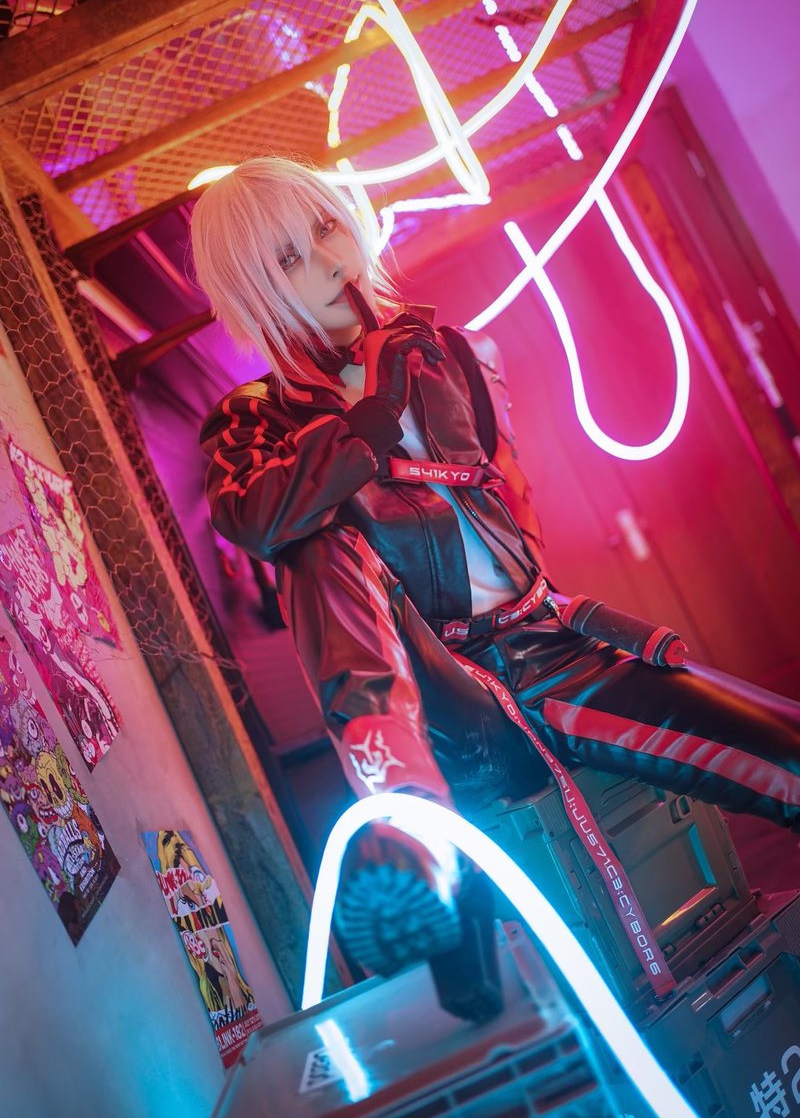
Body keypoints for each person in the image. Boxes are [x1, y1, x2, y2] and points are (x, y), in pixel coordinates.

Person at [194, 156, 800, 1010]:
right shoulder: (255, 422)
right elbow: (255, 519)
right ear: (254, 290)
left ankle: (445, 885)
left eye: (325, 229)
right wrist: (366, 428)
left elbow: (513, 503)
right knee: (311, 538)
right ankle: (412, 829)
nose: (328, 262)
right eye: (288, 258)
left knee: (786, 756)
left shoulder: (456, 353)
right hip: (439, 701)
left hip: (548, 649)